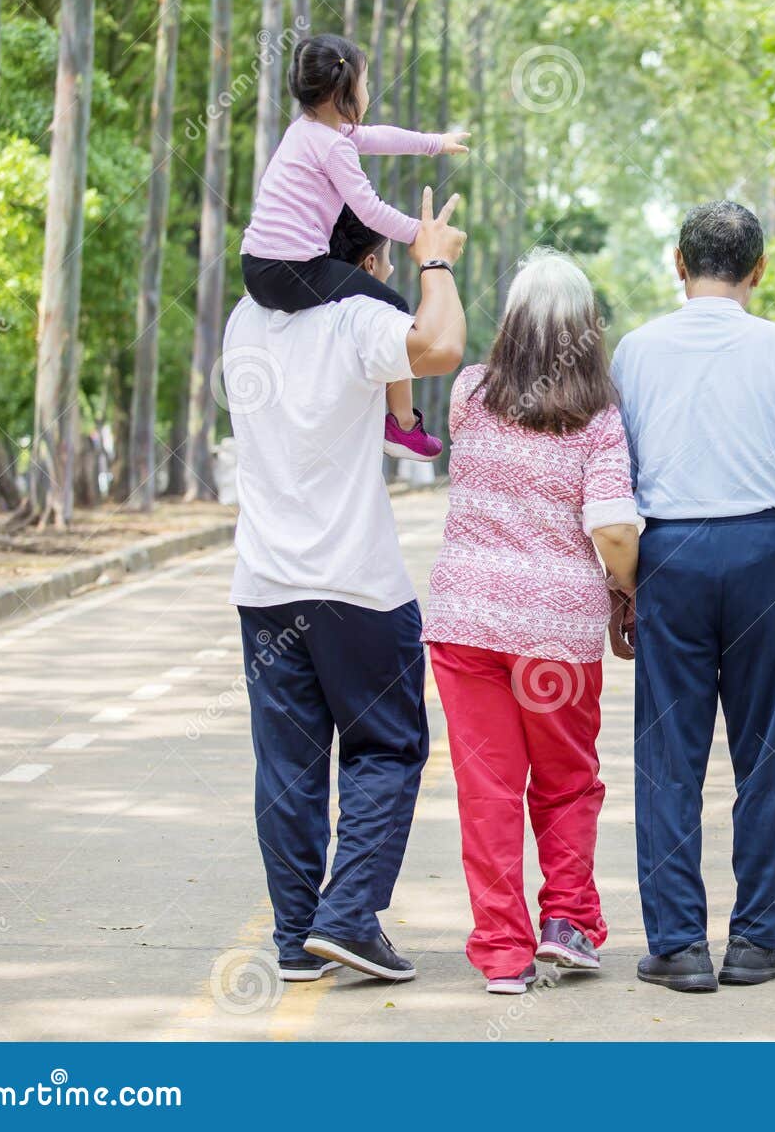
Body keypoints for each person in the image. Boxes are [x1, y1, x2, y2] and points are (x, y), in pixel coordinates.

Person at [224, 188, 467, 983]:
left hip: (264, 584)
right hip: (357, 583)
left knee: (287, 765)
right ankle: (346, 915)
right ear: (363, 261)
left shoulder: (242, 319)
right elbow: (441, 344)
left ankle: (298, 937)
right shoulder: (359, 317)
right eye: (384, 257)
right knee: (388, 748)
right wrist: (433, 260)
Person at [611, 200, 775, 993]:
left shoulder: (635, 352)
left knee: (670, 756)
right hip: (761, 554)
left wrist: (622, 583)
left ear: (679, 262)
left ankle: (677, 944)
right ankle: (755, 941)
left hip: (666, 552)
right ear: (759, 270)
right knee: (766, 754)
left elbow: (613, 479)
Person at [421, 249, 640, 996]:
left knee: (487, 787)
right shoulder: (600, 417)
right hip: (556, 634)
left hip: (467, 624)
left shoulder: (469, 392)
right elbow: (612, 530)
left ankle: (503, 951)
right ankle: (570, 922)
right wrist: (630, 591)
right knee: (566, 781)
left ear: (512, 322)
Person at [239, 32, 470, 463]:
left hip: (255, 266)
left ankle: (396, 420)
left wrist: (434, 143)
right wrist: (426, 237)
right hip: (294, 271)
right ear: (343, 90)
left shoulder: (306, 131)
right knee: (398, 310)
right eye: (365, 83)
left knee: (373, 299)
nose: (368, 92)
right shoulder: (332, 148)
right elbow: (370, 212)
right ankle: (402, 426)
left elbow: (378, 137)